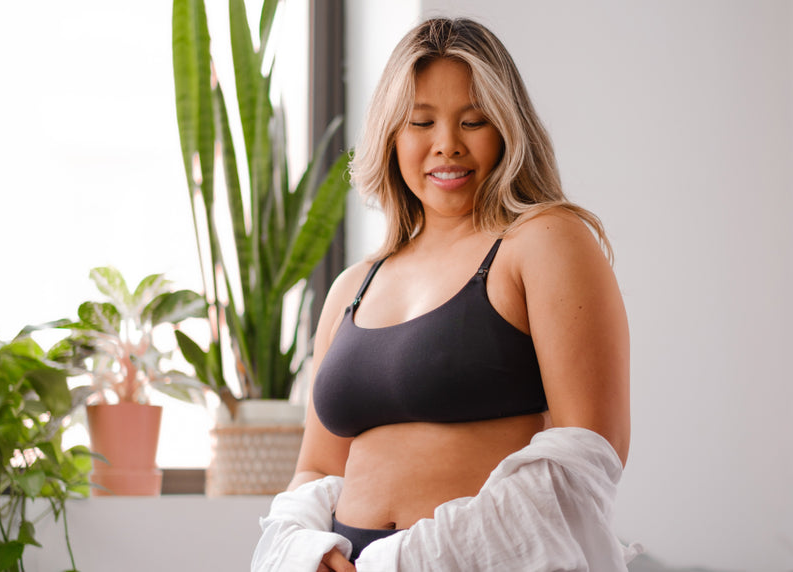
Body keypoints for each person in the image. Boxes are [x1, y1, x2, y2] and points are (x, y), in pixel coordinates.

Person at [252, 17, 635, 572]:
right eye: (421, 122)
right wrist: (307, 552)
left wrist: (409, 560)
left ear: (507, 129)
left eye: (474, 121)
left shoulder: (543, 241)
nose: (448, 145)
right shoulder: (352, 288)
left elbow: (588, 452)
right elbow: (315, 470)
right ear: (392, 135)